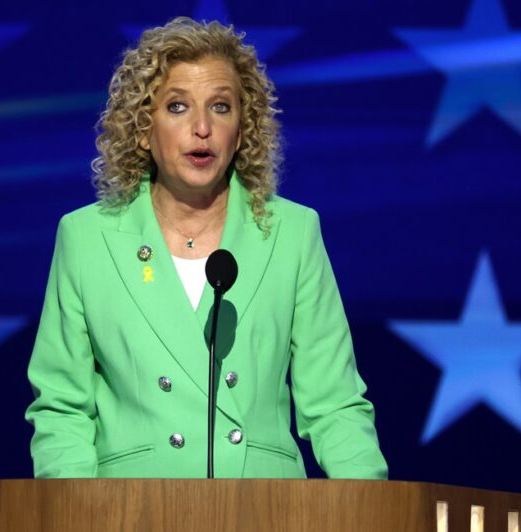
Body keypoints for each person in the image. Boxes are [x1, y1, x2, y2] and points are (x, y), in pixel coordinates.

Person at [25, 17, 387, 479]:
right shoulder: (86, 239)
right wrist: (77, 518)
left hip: (267, 512)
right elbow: (62, 409)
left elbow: (335, 404)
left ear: (242, 129)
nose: (201, 128)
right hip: (132, 515)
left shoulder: (292, 232)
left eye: (220, 107)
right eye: (177, 107)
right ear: (142, 129)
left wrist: (373, 509)